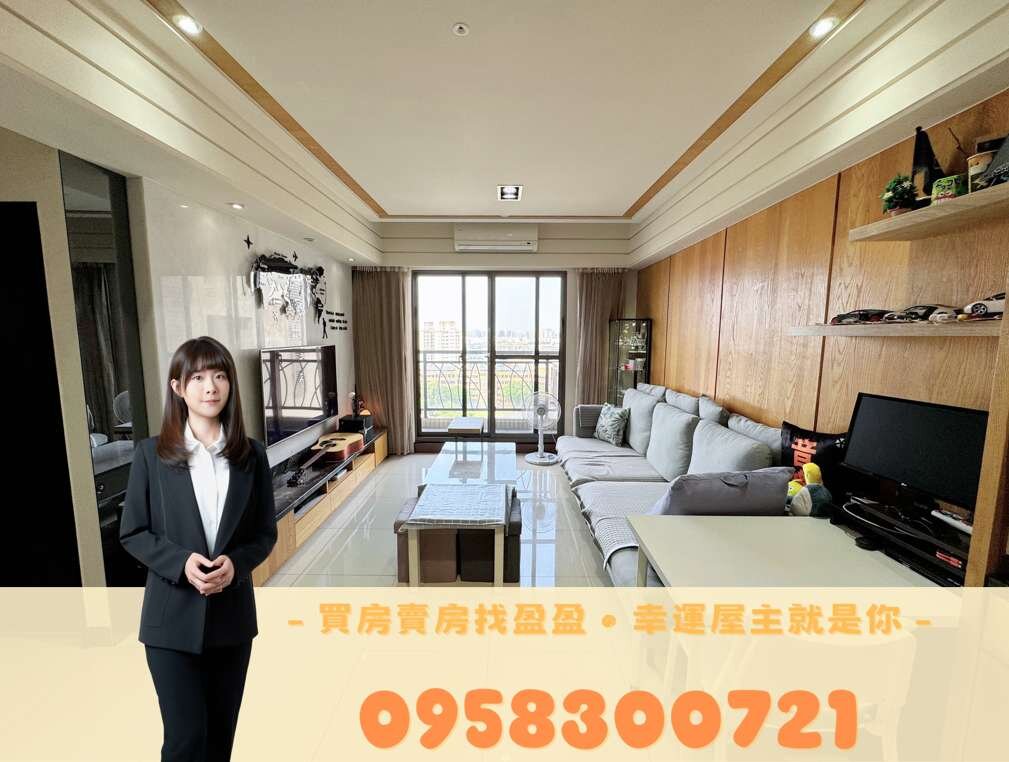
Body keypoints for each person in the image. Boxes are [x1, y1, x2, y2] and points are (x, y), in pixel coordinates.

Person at [120, 336, 278, 761]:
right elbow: (133, 532)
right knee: (186, 740)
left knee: (220, 740)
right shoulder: (151, 455)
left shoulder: (252, 456)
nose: (211, 387)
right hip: (170, 621)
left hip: (231, 621)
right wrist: (181, 562)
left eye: (220, 376)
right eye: (198, 378)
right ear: (178, 387)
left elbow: (265, 533)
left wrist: (236, 565)